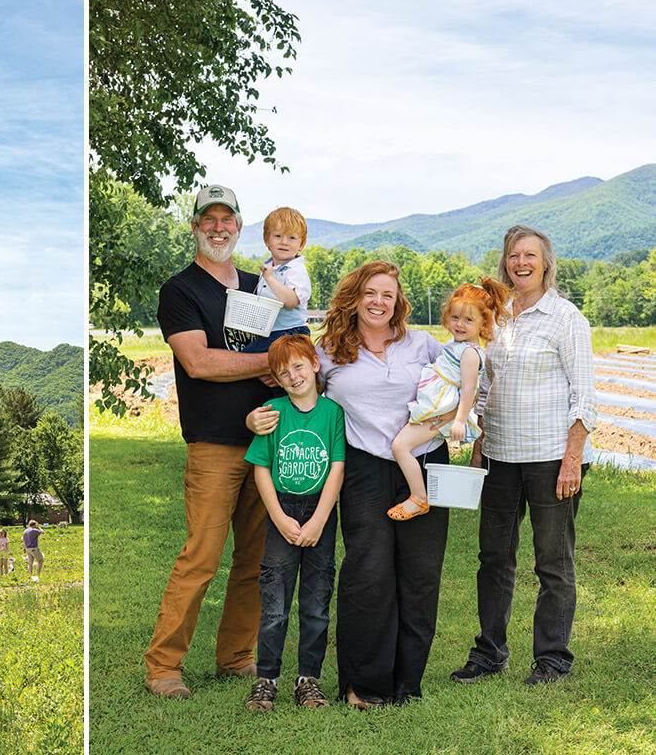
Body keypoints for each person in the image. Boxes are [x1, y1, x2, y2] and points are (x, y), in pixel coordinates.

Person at [248, 260, 446, 707]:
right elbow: (294, 391)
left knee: (420, 575)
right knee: (368, 574)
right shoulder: (327, 350)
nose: (379, 302)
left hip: (424, 465)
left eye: (388, 294)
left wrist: (461, 423)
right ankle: (363, 685)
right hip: (364, 468)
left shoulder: (422, 344)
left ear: (398, 302)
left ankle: (407, 683)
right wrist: (252, 419)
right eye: (370, 293)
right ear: (354, 298)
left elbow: (467, 380)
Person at [143, 184, 276, 701]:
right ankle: (163, 666)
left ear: (239, 227)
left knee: (256, 560)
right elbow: (198, 362)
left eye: (228, 220)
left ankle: (236, 656)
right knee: (201, 556)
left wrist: (286, 361)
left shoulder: (260, 287)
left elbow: (291, 344)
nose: (219, 228)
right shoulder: (181, 290)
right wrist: (269, 362)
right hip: (215, 444)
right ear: (196, 226)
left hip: (268, 441)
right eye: (209, 219)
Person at [451, 225, 596, 686]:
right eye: (514, 255)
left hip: (551, 457)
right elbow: (485, 388)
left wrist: (572, 459)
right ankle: (489, 653)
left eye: (530, 255)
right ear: (505, 264)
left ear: (545, 263)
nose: (521, 263)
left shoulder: (566, 317)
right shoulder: (495, 318)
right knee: (494, 557)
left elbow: (584, 396)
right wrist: (478, 446)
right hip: (500, 456)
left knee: (552, 562)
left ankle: (552, 659)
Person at [242, 335, 345, 711]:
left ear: (315, 365)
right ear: (276, 379)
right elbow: (261, 468)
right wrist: (279, 518)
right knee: (274, 604)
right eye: (283, 373)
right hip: (282, 511)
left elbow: (337, 467)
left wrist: (319, 519)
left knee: (316, 603)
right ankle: (266, 679)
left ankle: (308, 680)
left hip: (320, 513)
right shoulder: (272, 411)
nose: (293, 377)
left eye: (299, 367)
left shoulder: (333, 413)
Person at [387, 279, 511, 521]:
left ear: (484, 323)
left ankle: (418, 498)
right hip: (436, 404)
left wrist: (460, 421)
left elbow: (469, 390)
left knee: (400, 446)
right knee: (401, 445)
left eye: (468, 320)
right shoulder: (457, 345)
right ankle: (418, 495)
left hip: (441, 410)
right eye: (455, 317)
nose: (459, 324)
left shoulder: (469, 353)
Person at [242, 207, 313, 354]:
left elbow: (292, 301)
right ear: (266, 240)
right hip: (270, 332)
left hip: (291, 333)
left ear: (301, 244)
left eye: (292, 238)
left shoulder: (296, 270)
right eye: (278, 236)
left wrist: (270, 278)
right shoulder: (269, 267)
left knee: (246, 357)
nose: (284, 242)